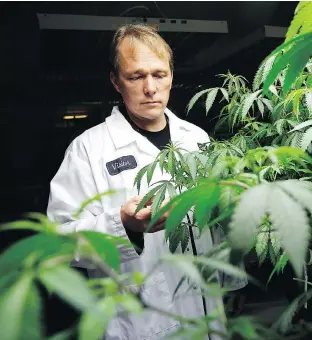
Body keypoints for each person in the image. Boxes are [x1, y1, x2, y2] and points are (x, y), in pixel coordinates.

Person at [47, 24, 245, 340]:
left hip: (211, 318)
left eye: (159, 74)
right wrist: (120, 224)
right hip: (141, 326)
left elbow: (218, 223)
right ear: (116, 81)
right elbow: (57, 243)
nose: (150, 88)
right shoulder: (88, 150)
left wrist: (234, 282)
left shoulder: (196, 138)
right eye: (136, 76)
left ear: (171, 75)